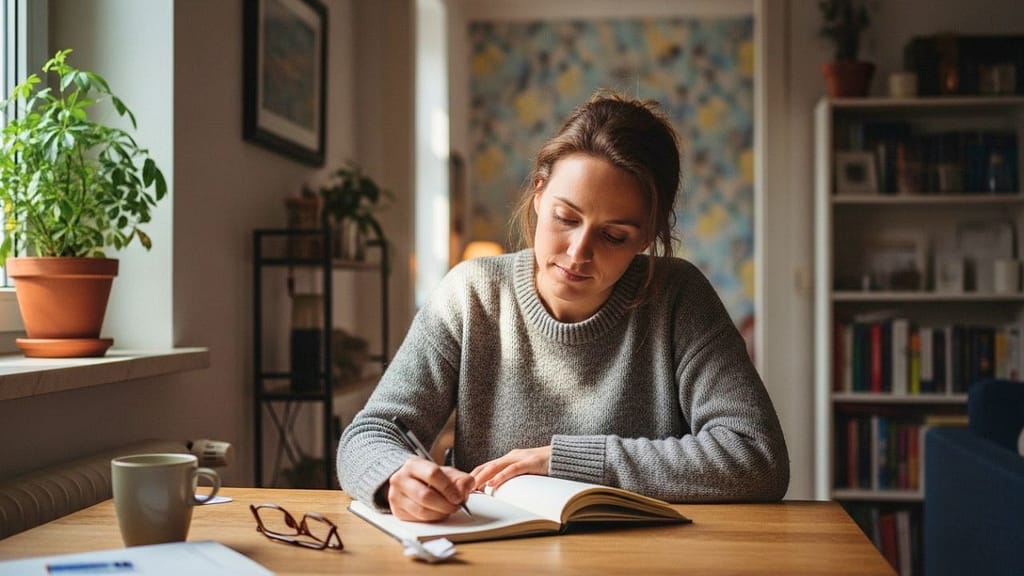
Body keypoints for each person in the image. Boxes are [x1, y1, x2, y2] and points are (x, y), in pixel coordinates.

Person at [338, 92, 789, 522]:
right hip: (495, 557)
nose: (577, 253)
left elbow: (756, 456)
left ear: (647, 236)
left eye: (614, 236)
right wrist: (397, 477)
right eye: (565, 218)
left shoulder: (679, 297)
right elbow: (368, 436)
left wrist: (569, 461)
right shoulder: (469, 294)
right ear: (538, 193)